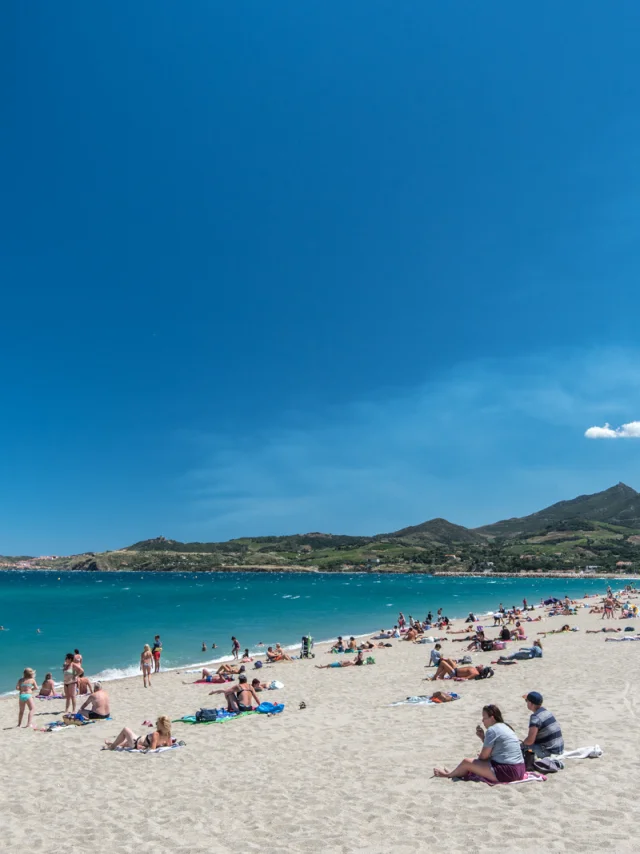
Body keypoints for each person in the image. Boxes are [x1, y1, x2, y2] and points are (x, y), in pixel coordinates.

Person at [433, 705, 525, 783]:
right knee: (475, 763)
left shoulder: (492, 730)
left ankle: (447, 775)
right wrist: (483, 738)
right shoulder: (505, 726)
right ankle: (455, 772)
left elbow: (483, 757)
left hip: (508, 772)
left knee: (466, 762)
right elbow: (499, 748)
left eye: (484, 718)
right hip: (520, 769)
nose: (482, 720)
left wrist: (481, 757)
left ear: (492, 718)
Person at [521, 692, 564, 757]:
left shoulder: (536, 717)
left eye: (526, 701)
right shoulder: (546, 712)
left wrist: (522, 745)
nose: (526, 703)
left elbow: (530, 741)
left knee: (520, 750)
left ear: (531, 703)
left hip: (549, 752)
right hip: (559, 749)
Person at [105, 716, 173, 751]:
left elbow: (152, 749)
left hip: (136, 743)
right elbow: (169, 745)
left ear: (161, 725)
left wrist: (141, 748)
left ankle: (112, 746)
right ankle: (111, 743)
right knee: (125, 743)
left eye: (157, 723)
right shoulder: (168, 734)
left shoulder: (156, 734)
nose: (156, 724)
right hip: (138, 739)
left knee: (125, 729)